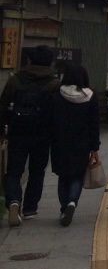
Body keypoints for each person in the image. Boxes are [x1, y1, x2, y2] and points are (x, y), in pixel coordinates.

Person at [0, 45, 60, 226]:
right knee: (37, 171)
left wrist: (2, 131)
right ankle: (29, 208)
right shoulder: (54, 83)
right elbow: (57, 112)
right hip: (43, 134)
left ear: (30, 60)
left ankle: (13, 201)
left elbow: (2, 107)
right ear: (50, 62)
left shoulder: (15, 80)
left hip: (18, 131)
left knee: (14, 171)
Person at [50, 63, 101, 226]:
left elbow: (51, 119)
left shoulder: (57, 94)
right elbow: (94, 123)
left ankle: (64, 206)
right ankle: (72, 202)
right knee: (77, 175)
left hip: (60, 141)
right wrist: (95, 146)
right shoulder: (90, 96)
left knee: (63, 175)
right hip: (82, 142)